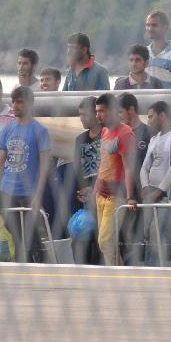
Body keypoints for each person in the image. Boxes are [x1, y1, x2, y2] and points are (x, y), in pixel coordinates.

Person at [0, 87, 52, 262]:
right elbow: (1, 162)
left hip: (28, 193)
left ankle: (42, 266)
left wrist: (38, 195)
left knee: (32, 239)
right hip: (7, 191)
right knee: (14, 237)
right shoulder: (8, 129)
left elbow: (44, 166)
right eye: (13, 101)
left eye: (20, 102)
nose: (15, 105)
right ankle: (19, 268)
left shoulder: (39, 131)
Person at [140, 100, 171, 265]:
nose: (148, 121)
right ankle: (149, 269)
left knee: (158, 235)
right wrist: (146, 186)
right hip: (151, 196)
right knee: (148, 236)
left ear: (162, 116)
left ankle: (155, 270)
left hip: (167, 198)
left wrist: (159, 191)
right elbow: (144, 166)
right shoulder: (154, 138)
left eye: (151, 117)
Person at [93, 93, 138, 266]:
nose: (98, 115)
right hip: (101, 194)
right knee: (104, 242)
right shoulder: (105, 131)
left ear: (112, 111)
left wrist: (130, 196)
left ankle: (115, 273)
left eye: (102, 111)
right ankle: (115, 271)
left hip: (115, 196)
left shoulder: (125, 133)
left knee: (105, 240)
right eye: (97, 111)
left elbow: (129, 167)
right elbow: (104, 163)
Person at [117, 92, 152, 265]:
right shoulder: (119, 134)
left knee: (139, 235)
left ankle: (138, 267)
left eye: (120, 113)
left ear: (131, 110)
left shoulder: (147, 132)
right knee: (121, 234)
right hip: (122, 192)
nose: (118, 117)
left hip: (142, 192)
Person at [73, 96, 103, 264]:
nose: (81, 118)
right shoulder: (80, 139)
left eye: (85, 114)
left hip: (104, 193)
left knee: (100, 239)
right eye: (79, 115)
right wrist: (82, 191)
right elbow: (77, 169)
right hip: (86, 196)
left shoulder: (106, 134)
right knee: (81, 238)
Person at [146, 10, 171, 89]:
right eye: (148, 25)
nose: (150, 29)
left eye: (154, 25)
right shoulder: (143, 53)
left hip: (167, 100)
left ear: (165, 28)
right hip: (147, 100)